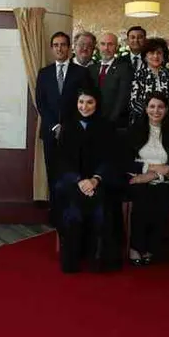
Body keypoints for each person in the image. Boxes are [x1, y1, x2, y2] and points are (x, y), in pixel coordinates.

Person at [54, 86, 121, 272]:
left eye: (89, 102)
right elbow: (62, 160)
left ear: (97, 103)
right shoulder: (67, 127)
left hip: (100, 180)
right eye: (81, 102)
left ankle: (98, 258)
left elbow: (111, 158)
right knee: (73, 202)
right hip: (72, 180)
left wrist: (95, 179)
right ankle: (72, 257)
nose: (85, 106)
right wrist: (79, 180)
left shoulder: (106, 127)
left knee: (100, 200)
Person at [35, 32, 93, 201]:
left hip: (74, 132)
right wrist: (55, 126)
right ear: (52, 48)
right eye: (56, 45)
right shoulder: (44, 73)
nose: (59, 48)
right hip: (50, 133)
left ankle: (71, 211)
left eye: (63, 45)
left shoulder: (81, 73)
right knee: (52, 173)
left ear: (69, 48)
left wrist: (68, 126)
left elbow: (85, 103)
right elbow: (41, 103)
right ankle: (55, 212)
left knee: (73, 173)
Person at [125, 92, 169, 266]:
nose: (156, 110)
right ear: (146, 109)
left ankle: (150, 247)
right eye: (152, 106)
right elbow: (124, 161)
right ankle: (135, 247)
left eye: (160, 107)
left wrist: (156, 174)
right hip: (137, 178)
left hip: (163, 181)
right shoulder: (135, 130)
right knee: (142, 198)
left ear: (166, 109)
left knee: (161, 198)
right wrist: (148, 170)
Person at [129, 37, 169, 125]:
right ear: (145, 57)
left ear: (163, 56)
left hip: (168, 124)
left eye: (159, 53)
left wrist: (163, 119)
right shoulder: (138, 75)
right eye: (151, 53)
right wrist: (151, 119)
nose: (155, 56)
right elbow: (134, 102)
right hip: (142, 124)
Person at [88, 32, 130, 128]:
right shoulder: (91, 69)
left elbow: (122, 99)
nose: (106, 48)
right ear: (98, 47)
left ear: (116, 47)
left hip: (114, 124)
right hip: (92, 122)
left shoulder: (124, 69)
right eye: (103, 44)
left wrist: (109, 123)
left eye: (110, 44)